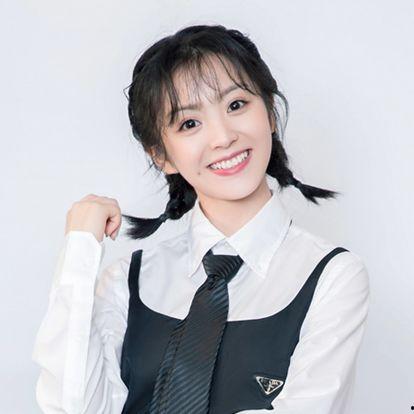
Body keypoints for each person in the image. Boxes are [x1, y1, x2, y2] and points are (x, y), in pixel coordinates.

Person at [32, 24, 370, 413]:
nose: (223, 137)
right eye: (189, 124)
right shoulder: (127, 282)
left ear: (270, 113)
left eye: (236, 105)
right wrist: (79, 250)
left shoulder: (331, 277)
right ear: (161, 155)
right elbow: (74, 408)